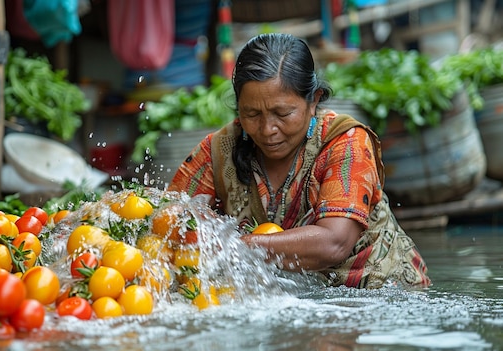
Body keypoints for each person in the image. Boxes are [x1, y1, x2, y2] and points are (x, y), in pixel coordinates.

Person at [167, 33, 431, 289]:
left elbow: (334, 242)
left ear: (313, 101)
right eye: (251, 113)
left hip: (381, 299)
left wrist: (235, 246)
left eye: (282, 113)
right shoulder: (220, 150)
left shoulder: (345, 141)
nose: (268, 129)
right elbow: (167, 216)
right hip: (299, 302)